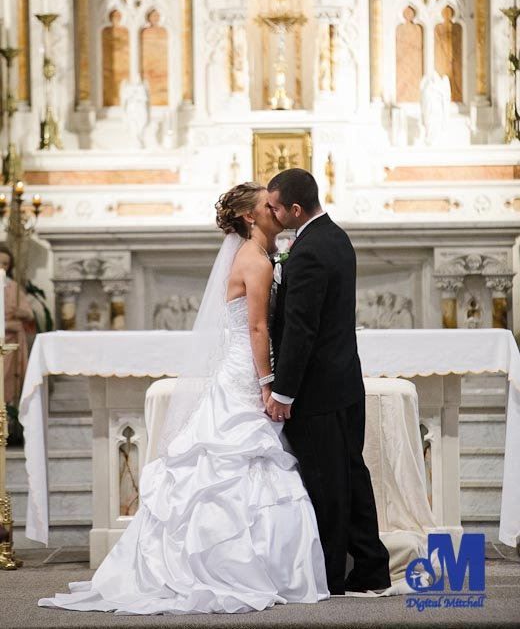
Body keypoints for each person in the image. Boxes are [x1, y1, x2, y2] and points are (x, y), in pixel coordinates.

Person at [39, 182, 328, 615]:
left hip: (239, 368)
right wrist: (268, 383)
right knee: (239, 458)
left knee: (242, 460)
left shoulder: (256, 255)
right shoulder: (255, 259)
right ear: (251, 217)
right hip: (246, 372)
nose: (276, 210)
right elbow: (255, 329)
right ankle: (234, 565)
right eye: (268, 206)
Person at [266, 168, 391, 595]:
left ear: (295, 209)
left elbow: (302, 329)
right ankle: (371, 567)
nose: (272, 212)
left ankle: (334, 577)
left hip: (318, 391)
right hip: (343, 384)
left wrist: (283, 391)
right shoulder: (334, 237)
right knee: (350, 476)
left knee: (327, 484)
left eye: (276, 207)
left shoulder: (309, 251)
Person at [0, 244, 34, 409]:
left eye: (5, 264)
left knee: (8, 384)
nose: (2, 267)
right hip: (4, 335)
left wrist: (21, 313)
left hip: (11, 344)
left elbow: (29, 314)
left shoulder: (13, 286)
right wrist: (6, 325)